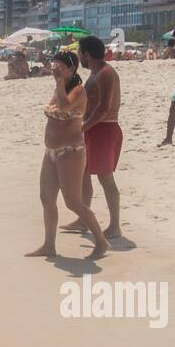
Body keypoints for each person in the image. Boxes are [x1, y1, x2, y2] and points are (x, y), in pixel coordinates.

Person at [26, 51, 112, 260]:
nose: (55, 70)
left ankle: (101, 242)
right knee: (46, 198)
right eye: (54, 66)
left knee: (73, 202)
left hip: (70, 152)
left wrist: (57, 86)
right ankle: (49, 245)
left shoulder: (78, 90)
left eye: (60, 68)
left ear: (71, 69)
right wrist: (56, 97)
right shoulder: (61, 89)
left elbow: (63, 107)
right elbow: (54, 110)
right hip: (52, 151)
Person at [67, 35, 123, 239]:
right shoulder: (95, 72)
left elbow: (104, 107)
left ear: (86, 54)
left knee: (105, 177)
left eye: (79, 52)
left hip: (104, 130)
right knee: (83, 174)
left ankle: (115, 226)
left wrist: (82, 128)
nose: (78, 56)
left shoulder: (106, 73)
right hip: (93, 129)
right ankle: (83, 219)